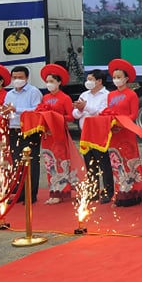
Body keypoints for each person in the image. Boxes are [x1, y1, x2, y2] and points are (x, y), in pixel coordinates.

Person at [104, 59, 142, 207]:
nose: (116, 80)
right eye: (114, 77)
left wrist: (120, 122)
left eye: (119, 77)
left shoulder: (131, 95)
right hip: (114, 134)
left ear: (126, 78)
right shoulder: (110, 95)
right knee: (116, 164)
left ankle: (134, 194)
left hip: (127, 132)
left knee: (129, 163)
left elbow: (134, 115)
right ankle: (121, 194)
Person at [34, 64, 78, 204]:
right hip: (47, 135)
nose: (49, 84)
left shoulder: (65, 98)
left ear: (59, 82)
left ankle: (62, 192)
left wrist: (55, 117)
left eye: (52, 81)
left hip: (59, 134)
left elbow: (71, 117)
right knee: (49, 163)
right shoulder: (45, 97)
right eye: (47, 82)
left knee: (61, 161)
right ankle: (53, 192)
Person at [4, 66, 42, 203]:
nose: (17, 80)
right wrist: (3, 110)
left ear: (26, 78)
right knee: (17, 162)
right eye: (14, 78)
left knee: (31, 162)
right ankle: (20, 193)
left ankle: (31, 194)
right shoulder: (10, 94)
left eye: (20, 77)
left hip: (29, 131)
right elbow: (6, 108)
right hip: (14, 129)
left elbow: (36, 109)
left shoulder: (33, 92)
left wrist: (17, 109)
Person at [73, 69, 112, 203]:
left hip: (99, 133)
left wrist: (85, 108)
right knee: (90, 164)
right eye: (88, 79)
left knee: (104, 164)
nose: (88, 82)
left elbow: (100, 113)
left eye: (91, 79)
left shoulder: (106, 95)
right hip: (85, 133)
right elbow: (75, 114)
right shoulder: (85, 94)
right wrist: (80, 109)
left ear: (99, 81)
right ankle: (93, 191)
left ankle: (107, 192)